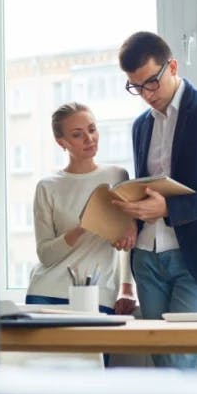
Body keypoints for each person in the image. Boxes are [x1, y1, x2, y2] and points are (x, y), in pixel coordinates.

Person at [114, 31, 197, 369]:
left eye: (151, 83)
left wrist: (170, 208)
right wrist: (133, 211)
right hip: (149, 259)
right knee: (163, 367)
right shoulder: (140, 126)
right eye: (136, 87)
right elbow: (152, 187)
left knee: (177, 363)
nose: (146, 95)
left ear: (172, 66)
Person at [26, 102, 137, 317]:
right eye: (77, 134)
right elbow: (45, 255)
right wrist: (83, 226)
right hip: (47, 293)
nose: (89, 138)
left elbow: (128, 242)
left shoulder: (117, 176)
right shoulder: (47, 186)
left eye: (92, 129)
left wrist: (127, 288)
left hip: (98, 295)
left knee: (95, 352)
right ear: (62, 142)